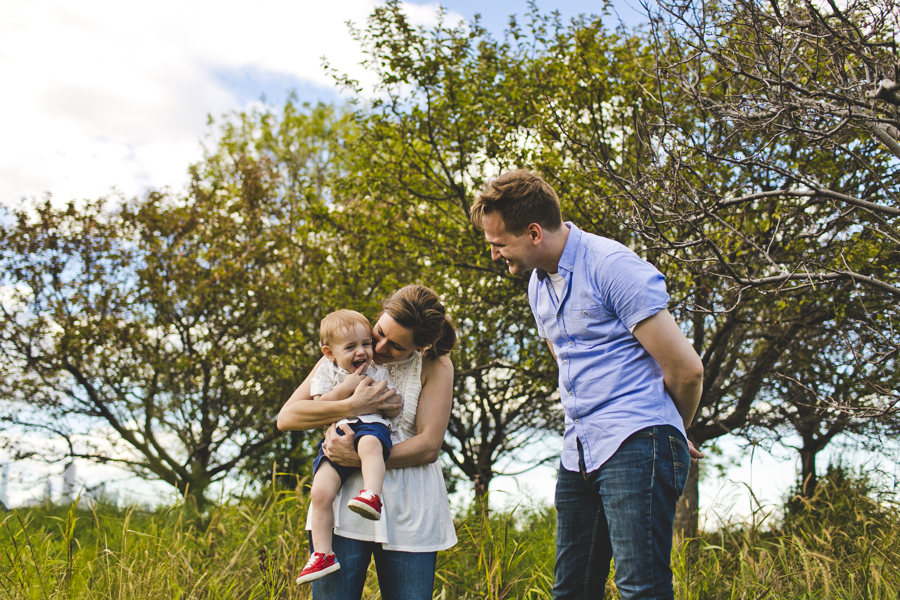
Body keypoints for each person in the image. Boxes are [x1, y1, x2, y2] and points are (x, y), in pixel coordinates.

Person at [470, 170, 704, 600]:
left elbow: (687, 370)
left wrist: (671, 428)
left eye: (499, 243)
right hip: (578, 450)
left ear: (534, 232)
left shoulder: (611, 266)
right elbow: (567, 361)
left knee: (641, 588)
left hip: (636, 439)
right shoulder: (538, 287)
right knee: (572, 590)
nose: (493, 253)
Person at [277, 285, 457, 600]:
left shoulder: (436, 364)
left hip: (410, 508)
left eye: (397, 346)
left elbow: (429, 445)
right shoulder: (345, 353)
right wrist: (350, 406)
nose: (381, 346)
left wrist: (358, 457)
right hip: (344, 500)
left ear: (421, 345)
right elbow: (288, 417)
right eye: (380, 333)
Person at [297, 309, 402, 584]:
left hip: (370, 425)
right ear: (329, 353)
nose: (362, 352)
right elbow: (319, 406)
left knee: (370, 446)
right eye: (351, 347)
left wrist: (387, 402)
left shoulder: (378, 370)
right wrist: (348, 388)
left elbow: (394, 405)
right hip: (336, 435)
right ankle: (323, 553)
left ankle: (371, 494)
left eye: (366, 343)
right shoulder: (325, 371)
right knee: (320, 492)